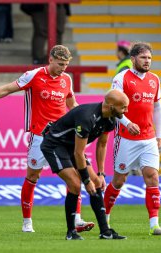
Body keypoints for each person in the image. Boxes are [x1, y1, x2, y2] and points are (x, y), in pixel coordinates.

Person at [0, 45, 93, 233]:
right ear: (50, 59)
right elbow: (6, 89)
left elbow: (71, 104)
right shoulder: (33, 75)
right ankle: (27, 222)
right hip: (39, 137)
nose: (63, 68)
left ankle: (77, 219)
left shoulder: (67, 79)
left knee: (74, 175)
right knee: (33, 176)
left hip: (63, 137)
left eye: (66, 65)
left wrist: (84, 117)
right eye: (60, 64)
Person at [39, 89, 129, 240]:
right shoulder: (87, 117)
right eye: (124, 107)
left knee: (97, 183)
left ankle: (105, 232)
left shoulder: (111, 120)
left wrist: (100, 174)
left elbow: (102, 145)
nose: (126, 111)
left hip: (72, 147)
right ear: (111, 106)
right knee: (75, 184)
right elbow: (79, 153)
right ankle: (70, 232)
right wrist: (86, 181)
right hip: (54, 144)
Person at [104, 42, 161, 236]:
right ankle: (105, 219)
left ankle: (154, 225)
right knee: (119, 180)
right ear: (133, 59)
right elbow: (112, 105)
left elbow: (157, 108)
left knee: (152, 177)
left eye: (149, 58)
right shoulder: (121, 78)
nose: (147, 61)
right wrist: (127, 123)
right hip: (126, 137)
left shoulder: (154, 79)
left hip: (149, 138)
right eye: (143, 57)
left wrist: (159, 135)